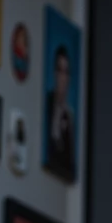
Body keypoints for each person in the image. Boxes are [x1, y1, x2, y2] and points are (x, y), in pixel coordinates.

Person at [44, 44, 75, 178]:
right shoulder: (47, 103)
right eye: (60, 70)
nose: (63, 78)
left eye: (66, 72)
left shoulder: (70, 116)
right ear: (55, 74)